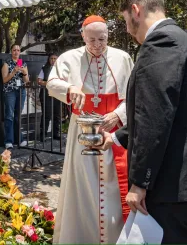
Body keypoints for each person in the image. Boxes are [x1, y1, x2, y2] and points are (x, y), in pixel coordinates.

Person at [103, 0, 187, 244]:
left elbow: (154, 115)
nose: (127, 30)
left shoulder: (160, 41)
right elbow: (173, 110)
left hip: (174, 183)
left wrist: (139, 183)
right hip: (185, 182)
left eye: (126, 21)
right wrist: (117, 137)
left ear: (136, 10)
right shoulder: (179, 38)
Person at [47, 16, 134, 244]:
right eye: (92, 39)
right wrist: (70, 87)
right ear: (83, 36)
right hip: (82, 131)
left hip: (112, 131)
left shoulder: (123, 58)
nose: (97, 45)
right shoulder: (69, 58)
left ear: (109, 36)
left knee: (115, 189)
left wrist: (118, 114)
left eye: (102, 39)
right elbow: (51, 83)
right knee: (82, 188)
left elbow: (133, 96)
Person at [1, 44, 29, 149]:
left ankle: (19, 139)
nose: (16, 52)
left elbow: (27, 81)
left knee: (18, 116)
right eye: (14, 50)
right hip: (10, 92)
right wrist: (13, 72)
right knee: (9, 116)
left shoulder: (22, 64)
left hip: (21, 91)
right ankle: (9, 141)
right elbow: (4, 80)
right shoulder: (6, 64)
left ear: (20, 52)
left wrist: (25, 73)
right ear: (11, 52)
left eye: (18, 50)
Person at [37, 53, 62, 141]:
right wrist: (50, 83)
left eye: (55, 58)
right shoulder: (45, 68)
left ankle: (56, 134)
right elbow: (39, 81)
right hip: (46, 94)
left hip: (57, 94)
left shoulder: (61, 69)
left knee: (57, 115)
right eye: (51, 58)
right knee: (46, 115)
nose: (53, 60)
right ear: (49, 59)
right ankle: (43, 135)